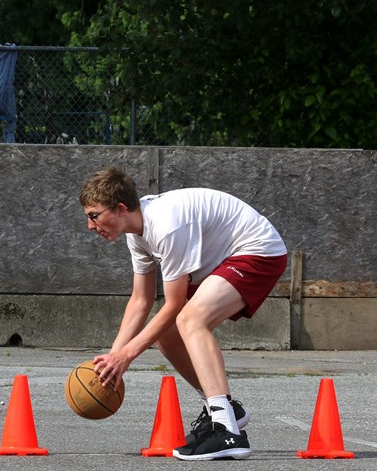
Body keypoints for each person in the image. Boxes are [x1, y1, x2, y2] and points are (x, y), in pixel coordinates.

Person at [79, 166, 287, 461]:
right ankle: (225, 410)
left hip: (258, 250)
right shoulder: (137, 235)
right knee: (168, 335)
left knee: (190, 319)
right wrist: (112, 360)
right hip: (222, 258)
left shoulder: (166, 226)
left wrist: (125, 358)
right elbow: (141, 300)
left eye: (94, 215)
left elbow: (174, 304)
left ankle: (228, 433)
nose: (90, 225)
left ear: (121, 208)